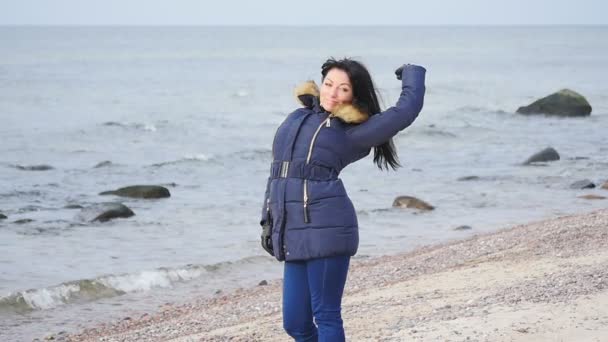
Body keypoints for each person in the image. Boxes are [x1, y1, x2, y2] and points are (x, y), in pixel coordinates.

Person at [259, 57, 426, 341]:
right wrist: (268, 222)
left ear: (354, 96)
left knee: (326, 315)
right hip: (294, 233)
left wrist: (413, 74)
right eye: (329, 84)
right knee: (296, 324)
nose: (332, 93)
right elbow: (278, 173)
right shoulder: (296, 117)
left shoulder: (354, 132)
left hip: (329, 230)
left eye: (343, 89)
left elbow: (405, 111)